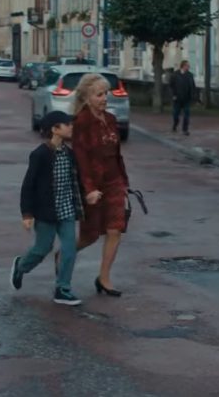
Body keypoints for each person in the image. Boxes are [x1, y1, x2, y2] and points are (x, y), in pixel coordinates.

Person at [12, 111, 85, 306]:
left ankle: (63, 288)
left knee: (69, 249)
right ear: (55, 129)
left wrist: (88, 196)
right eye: (67, 124)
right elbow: (28, 185)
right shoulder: (40, 155)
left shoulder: (70, 154)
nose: (71, 127)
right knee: (43, 248)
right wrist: (27, 214)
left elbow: (76, 181)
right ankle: (21, 266)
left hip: (67, 210)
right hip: (46, 212)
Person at [71, 73, 129, 297]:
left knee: (115, 230)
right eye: (99, 95)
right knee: (90, 235)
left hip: (114, 181)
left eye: (106, 93)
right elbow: (81, 158)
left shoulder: (111, 119)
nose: (104, 98)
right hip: (93, 184)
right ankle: (64, 255)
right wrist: (89, 188)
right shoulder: (81, 122)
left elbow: (117, 154)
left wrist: (124, 181)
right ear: (87, 97)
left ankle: (104, 278)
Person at [169, 60, 197, 135]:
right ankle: (175, 124)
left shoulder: (190, 75)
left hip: (186, 98)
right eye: (187, 65)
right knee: (176, 114)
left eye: (188, 66)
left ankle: (185, 129)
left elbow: (193, 86)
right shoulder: (175, 74)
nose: (188, 67)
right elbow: (171, 86)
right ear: (183, 66)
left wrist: (193, 96)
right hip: (177, 98)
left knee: (187, 114)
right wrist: (173, 95)